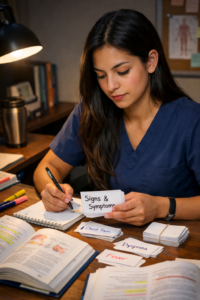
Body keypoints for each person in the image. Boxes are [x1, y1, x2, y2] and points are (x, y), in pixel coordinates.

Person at [33, 9, 200, 226]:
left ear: (150, 61)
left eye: (122, 71)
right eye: (101, 75)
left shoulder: (190, 121)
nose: (111, 86)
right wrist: (51, 191)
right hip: (105, 243)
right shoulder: (91, 112)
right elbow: (45, 168)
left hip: (173, 247)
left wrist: (160, 207)